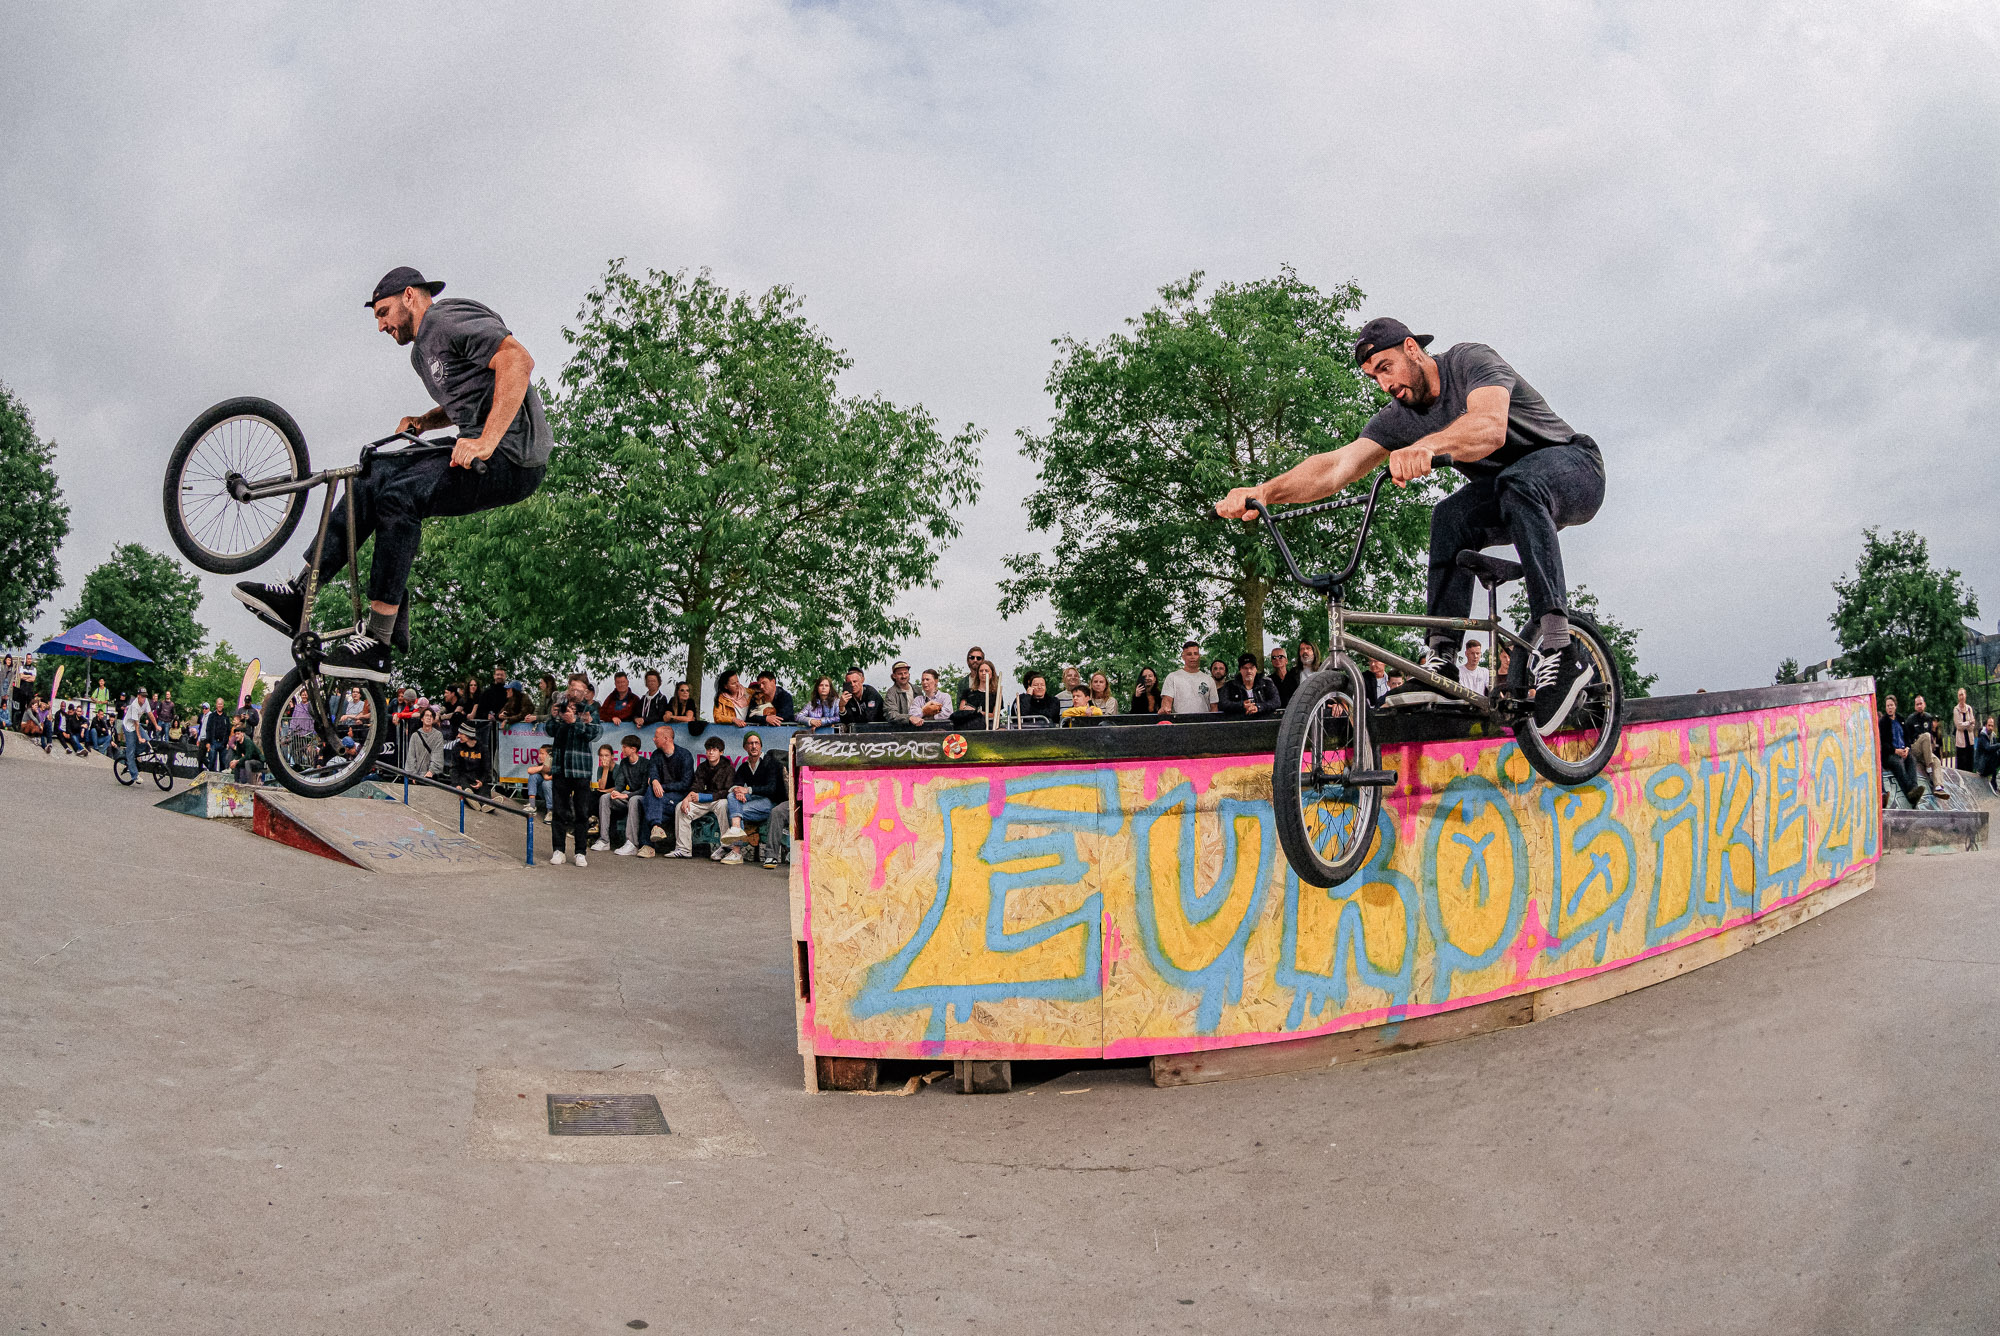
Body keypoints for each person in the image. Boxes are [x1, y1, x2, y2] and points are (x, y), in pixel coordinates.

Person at [1219, 316, 1605, 735]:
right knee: (1450, 516)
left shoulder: (1469, 362)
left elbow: (1489, 427)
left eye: (1385, 368)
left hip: (1576, 469)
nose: (1385, 384)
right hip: (1510, 497)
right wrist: (1264, 491)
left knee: (1518, 482)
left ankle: (1560, 648)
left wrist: (1426, 444)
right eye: (1373, 377)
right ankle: (1442, 660)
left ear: (1411, 349)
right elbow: (1335, 468)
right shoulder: (1400, 416)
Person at [232, 268, 552, 682]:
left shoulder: (446, 318)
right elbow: (469, 395)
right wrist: (424, 421)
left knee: (401, 495)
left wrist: (487, 441)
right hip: (481, 445)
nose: (382, 326)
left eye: (384, 313)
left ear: (410, 297)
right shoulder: (422, 354)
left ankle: (378, 643)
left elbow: (516, 360)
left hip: (515, 456)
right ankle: (302, 592)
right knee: (372, 472)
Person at [545, 675, 603, 867]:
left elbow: (595, 734)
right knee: (559, 811)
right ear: (569, 688)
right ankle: (558, 850)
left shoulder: (590, 709)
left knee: (582, 812)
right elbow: (549, 730)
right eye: (573, 689)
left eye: (580, 690)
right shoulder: (560, 705)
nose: (576, 693)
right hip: (561, 766)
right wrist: (555, 717)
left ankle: (580, 852)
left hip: (581, 767)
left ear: (586, 692)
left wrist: (575, 722)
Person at [719, 731, 787, 865]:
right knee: (732, 796)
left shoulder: (771, 762)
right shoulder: (745, 766)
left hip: (770, 802)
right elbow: (735, 784)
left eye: (756, 743)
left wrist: (747, 789)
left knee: (735, 813)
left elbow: (771, 789)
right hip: (753, 799)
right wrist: (738, 791)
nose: (754, 746)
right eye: (750, 743)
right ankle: (736, 829)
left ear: (761, 746)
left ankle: (736, 851)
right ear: (745, 747)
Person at [675, 737, 738, 862]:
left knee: (723, 804)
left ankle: (726, 846)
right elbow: (696, 786)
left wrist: (706, 797)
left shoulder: (728, 768)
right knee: (680, 807)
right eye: (708, 749)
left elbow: (727, 791)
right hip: (702, 801)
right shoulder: (702, 766)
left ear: (721, 752)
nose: (710, 752)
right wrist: (687, 799)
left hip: (717, 800)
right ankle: (684, 849)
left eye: (714, 750)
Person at [642, 724, 695, 856]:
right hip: (660, 797)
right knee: (651, 794)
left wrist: (661, 786)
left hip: (678, 797)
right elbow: (653, 771)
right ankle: (656, 828)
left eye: (656, 737)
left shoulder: (685, 755)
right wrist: (654, 781)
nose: (653, 739)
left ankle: (648, 846)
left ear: (666, 739)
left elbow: (685, 784)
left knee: (650, 802)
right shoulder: (656, 754)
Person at [595, 736, 650, 856]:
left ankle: (632, 844)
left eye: (624, 747)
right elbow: (620, 783)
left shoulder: (645, 763)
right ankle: (604, 840)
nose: (622, 749)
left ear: (633, 749)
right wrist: (616, 792)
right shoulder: (624, 762)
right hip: (627, 796)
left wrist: (626, 796)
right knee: (605, 798)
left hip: (641, 797)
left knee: (634, 800)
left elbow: (644, 789)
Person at [1879, 695, 1925, 806]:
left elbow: (1907, 738)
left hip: (1904, 751)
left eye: (1891, 705)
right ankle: (1911, 791)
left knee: (1912, 760)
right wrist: (1896, 751)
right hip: (1890, 754)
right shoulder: (1883, 722)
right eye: (1887, 706)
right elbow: (1884, 743)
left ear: (1895, 706)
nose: (1889, 708)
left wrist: (1907, 748)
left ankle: (1914, 790)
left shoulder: (1900, 719)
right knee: (1897, 763)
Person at [1161, 642, 1217, 716]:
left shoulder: (1209, 680)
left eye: (1195, 654)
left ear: (1199, 656)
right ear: (1183, 657)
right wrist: (1165, 709)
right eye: (1189, 654)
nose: (1193, 657)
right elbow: (1167, 703)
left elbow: (1214, 707)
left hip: (1203, 724)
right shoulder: (1172, 677)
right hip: (1180, 723)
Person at [1906, 695, 1944, 792]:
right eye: (1917, 704)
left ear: (1924, 704)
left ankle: (1938, 786)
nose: (1919, 706)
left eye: (1921, 704)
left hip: (1925, 750)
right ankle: (1928, 766)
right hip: (1915, 749)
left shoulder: (1928, 718)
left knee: (1937, 761)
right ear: (1915, 706)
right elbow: (1907, 738)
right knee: (1926, 735)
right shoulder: (1910, 720)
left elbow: (1931, 736)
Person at [953, 661, 1004, 728]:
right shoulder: (968, 692)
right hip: (969, 726)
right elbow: (962, 710)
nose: (983, 673)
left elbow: (995, 715)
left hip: (989, 727)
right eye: (981, 671)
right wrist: (968, 710)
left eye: (986, 671)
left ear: (991, 674)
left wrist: (977, 712)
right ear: (978, 674)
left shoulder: (996, 694)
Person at [121, 687, 149, 776]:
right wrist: (139, 738)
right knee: (131, 750)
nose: (144, 699)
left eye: (145, 697)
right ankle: (134, 775)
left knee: (148, 741)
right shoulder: (134, 706)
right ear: (138, 696)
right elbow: (136, 724)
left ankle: (132, 757)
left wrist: (156, 725)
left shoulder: (146, 702)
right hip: (129, 727)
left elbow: (150, 714)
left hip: (136, 725)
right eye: (142, 697)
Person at [881, 662, 917, 727]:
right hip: (901, 731)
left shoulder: (917, 689)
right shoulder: (891, 693)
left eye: (905, 673)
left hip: (919, 729)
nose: (903, 676)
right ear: (894, 676)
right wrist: (909, 718)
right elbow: (891, 714)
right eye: (900, 674)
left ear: (909, 674)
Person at [1952, 688, 1977, 771]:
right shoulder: (1956, 710)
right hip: (1961, 743)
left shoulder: (1969, 709)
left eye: (1962, 694)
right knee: (1961, 766)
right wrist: (1969, 722)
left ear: (1965, 695)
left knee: (1970, 765)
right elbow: (1959, 726)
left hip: (1970, 741)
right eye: (1960, 695)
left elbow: (1972, 726)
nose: (1961, 697)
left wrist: (1967, 724)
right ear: (1958, 697)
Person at [203, 697, 231, 770]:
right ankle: (211, 778)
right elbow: (208, 729)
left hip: (223, 743)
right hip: (213, 742)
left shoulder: (226, 717)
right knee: (211, 762)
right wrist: (208, 742)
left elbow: (228, 730)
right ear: (216, 705)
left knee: (223, 763)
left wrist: (227, 742)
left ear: (223, 705)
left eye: (221, 704)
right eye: (218, 704)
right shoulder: (212, 716)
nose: (220, 706)